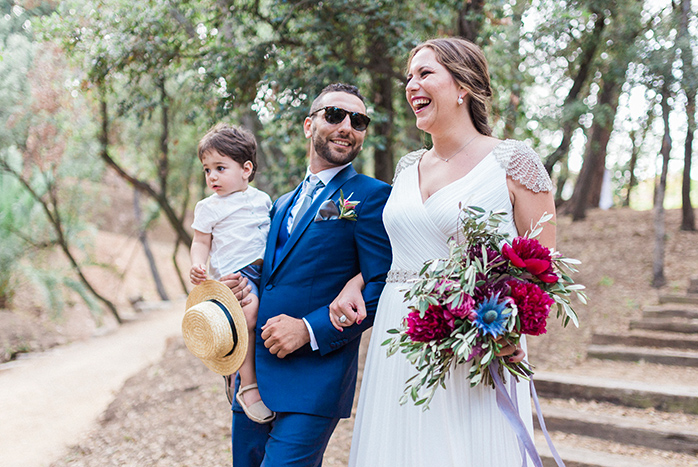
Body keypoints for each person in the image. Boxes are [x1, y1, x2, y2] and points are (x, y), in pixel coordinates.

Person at [330, 38, 556, 466]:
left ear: (463, 86)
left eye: (425, 73)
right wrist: (356, 283)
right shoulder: (406, 167)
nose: (411, 85)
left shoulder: (513, 160)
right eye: (408, 77)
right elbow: (398, 253)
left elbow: (544, 266)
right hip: (399, 333)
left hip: (476, 339)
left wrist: (509, 327)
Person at [228, 83, 392, 467]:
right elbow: (272, 274)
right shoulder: (282, 203)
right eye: (335, 115)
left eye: (359, 120)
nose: (347, 126)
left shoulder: (371, 196)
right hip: (253, 380)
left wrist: (309, 328)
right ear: (308, 125)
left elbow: (383, 282)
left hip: (314, 381)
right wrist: (242, 285)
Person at [189, 123, 274, 424]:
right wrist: (199, 265)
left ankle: (246, 369)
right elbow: (200, 241)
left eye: (220, 168)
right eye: (207, 169)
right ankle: (246, 385)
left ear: (246, 169)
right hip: (236, 275)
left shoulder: (263, 200)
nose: (211, 176)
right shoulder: (208, 207)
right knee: (248, 316)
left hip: (267, 271)